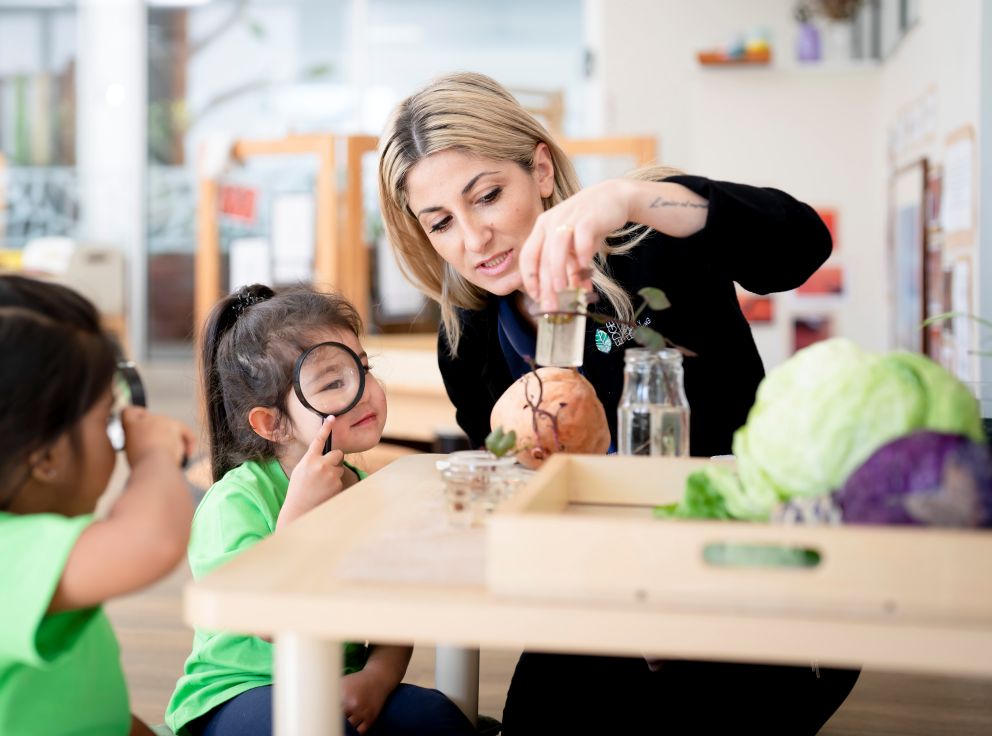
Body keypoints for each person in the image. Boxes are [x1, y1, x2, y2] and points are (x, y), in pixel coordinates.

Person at [377, 71, 859, 734]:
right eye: (441, 223)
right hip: (596, 602)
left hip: (743, 583)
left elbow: (803, 244)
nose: (474, 238)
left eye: (487, 196)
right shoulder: (471, 341)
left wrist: (632, 197)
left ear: (540, 168)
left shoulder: (651, 248)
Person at [0, 275, 195, 735]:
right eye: (106, 419)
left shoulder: (34, 556)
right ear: (45, 457)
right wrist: (153, 456)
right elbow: (152, 542)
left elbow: (84, 708)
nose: (118, 439)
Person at [166, 284, 474, 736]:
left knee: (439, 720)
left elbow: (397, 611)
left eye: (364, 368)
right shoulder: (236, 501)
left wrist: (377, 677)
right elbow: (268, 622)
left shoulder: (371, 493)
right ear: (272, 423)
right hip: (236, 694)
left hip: (334, 687)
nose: (364, 390)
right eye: (334, 382)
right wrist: (298, 517)